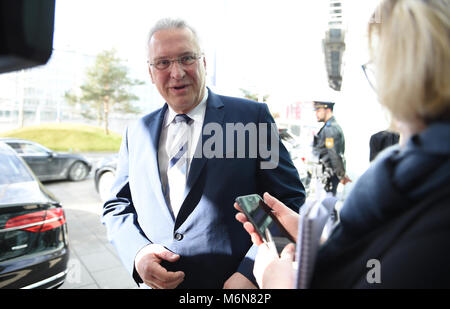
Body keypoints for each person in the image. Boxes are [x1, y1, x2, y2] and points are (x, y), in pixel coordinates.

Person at [236, 0, 450, 288]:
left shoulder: (429, 200)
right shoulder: (405, 177)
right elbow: (379, 258)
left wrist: (278, 283)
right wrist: (318, 242)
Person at [101, 18, 305, 289]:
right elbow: (117, 206)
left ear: (204, 63)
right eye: (162, 62)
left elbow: (287, 201)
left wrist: (251, 272)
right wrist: (138, 254)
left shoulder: (251, 119)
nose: (176, 72)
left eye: (186, 58)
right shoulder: (136, 132)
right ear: (150, 72)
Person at [312, 101, 350, 195]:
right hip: (325, 174)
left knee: (326, 205)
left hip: (328, 175)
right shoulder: (328, 127)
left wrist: (341, 175)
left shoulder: (330, 129)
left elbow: (334, 154)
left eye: (318, 110)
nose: (316, 113)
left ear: (328, 110)